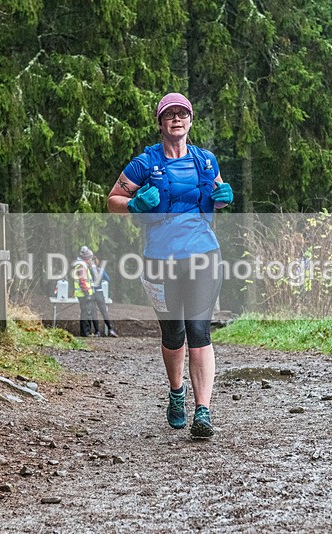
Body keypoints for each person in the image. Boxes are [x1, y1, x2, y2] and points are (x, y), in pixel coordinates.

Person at [106, 92, 233, 439]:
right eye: (170, 114)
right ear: (160, 122)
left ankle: (203, 410)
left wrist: (223, 198)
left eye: (183, 114)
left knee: (199, 331)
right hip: (160, 259)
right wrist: (133, 205)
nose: (176, 119)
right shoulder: (143, 163)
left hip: (204, 254)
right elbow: (112, 200)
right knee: (173, 333)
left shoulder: (205, 161)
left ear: (190, 121)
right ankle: (177, 393)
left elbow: (218, 193)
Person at [72, 246, 98, 337]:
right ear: (86, 258)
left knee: (86, 312)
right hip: (83, 294)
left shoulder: (83, 265)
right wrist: (87, 293)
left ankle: (86, 332)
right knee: (85, 313)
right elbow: (82, 281)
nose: (91, 259)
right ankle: (85, 333)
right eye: (90, 258)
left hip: (84, 294)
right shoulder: (81, 266)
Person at [90, 254, 118, 337]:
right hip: (100, 292)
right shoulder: (100, 270)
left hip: (92, 293)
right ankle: (110, 329)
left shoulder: (89, 270)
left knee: (94, 313)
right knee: (104, 312)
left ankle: (97, 331)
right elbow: (108, 279)